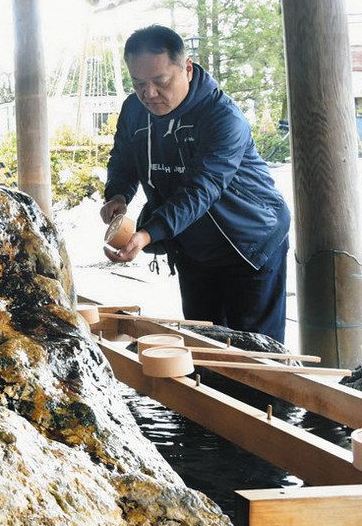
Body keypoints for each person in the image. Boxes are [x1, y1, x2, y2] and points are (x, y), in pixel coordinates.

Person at [100, 25, 291, 342]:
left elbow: (201, 189)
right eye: (139, 84)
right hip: (191, 243)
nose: (149, 94)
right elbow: (123, 157)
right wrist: (117, 194)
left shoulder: (222, 117)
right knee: (205, 341)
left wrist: (147, 233)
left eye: (161, 81)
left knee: (256, 352)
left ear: (187, 69)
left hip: (248, 242)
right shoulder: (134, 110)